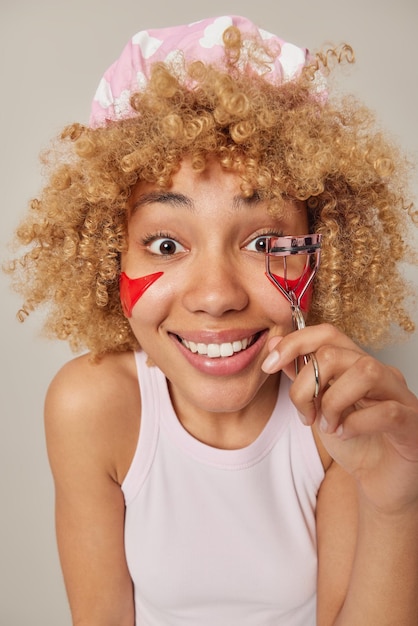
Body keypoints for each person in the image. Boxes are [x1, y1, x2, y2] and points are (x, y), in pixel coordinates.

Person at [6, 14, 418, 626]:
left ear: (321, 251)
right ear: (107, 253)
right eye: (167, 245)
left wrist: (396, 507)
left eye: (264, 242)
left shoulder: (337, 418)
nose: (217, 296)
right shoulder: (92, 407)